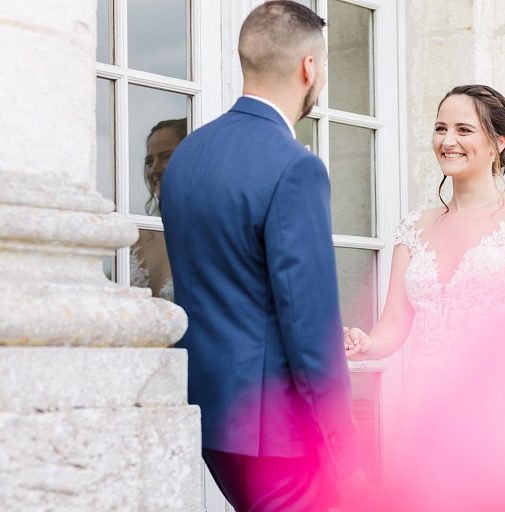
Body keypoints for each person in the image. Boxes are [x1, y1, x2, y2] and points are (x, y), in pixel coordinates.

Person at [161, 2, 359, 511]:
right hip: (280, 438)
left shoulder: (187, 156)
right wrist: (344, 447)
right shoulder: (296, 167)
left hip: (213, 421)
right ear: (308, 67)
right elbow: (310, 326)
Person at [344, 86, 505, 508]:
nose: (447, 141)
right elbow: (392, 325)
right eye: (441, 128)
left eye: (464, 130)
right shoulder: (413, 227)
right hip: (422, 411)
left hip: (496, 406)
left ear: (498, 143)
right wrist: (365, 342)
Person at [130, 118, 186, 301]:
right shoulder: (137, 234)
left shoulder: (209, 231)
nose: (154, 169)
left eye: (166, 157)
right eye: (149, 160)